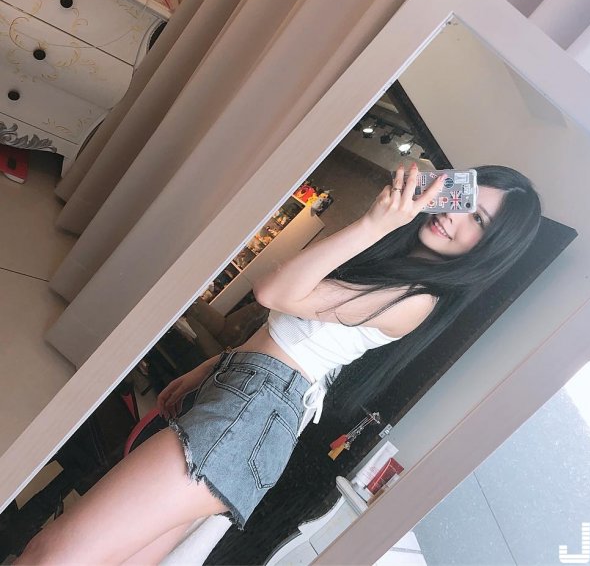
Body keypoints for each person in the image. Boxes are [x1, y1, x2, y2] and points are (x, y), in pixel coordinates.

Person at [18, 162, 541, 564]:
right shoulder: (397, 267)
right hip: (249, 401)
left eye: (477, 220)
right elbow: (297, 339)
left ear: (490, 249)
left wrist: (372, 222)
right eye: (462, 198)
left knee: (52, 556)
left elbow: (274, 292)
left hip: (251, 414)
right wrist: (214, 367)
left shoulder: (415, 299)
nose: (452, 214)